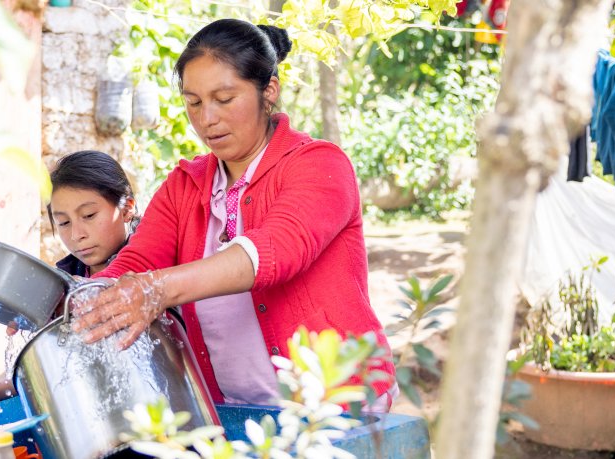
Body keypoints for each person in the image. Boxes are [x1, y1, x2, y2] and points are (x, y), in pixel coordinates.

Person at [70, 19, 395, 407]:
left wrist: (155, 291)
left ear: (268, 91)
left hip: (338, 408)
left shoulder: (319, 165)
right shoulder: (184, 186)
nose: (207, 119)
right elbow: (133, 264)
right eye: (193, 102)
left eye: (224, 99)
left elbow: (269, 255)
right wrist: (66, 307)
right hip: (235, 412)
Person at [0, 150, 137, 431]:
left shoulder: (150, 269)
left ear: (127, 207)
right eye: (63, 222)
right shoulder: (63, 284)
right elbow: (52, 360)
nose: (76, 234)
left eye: (89, 215)